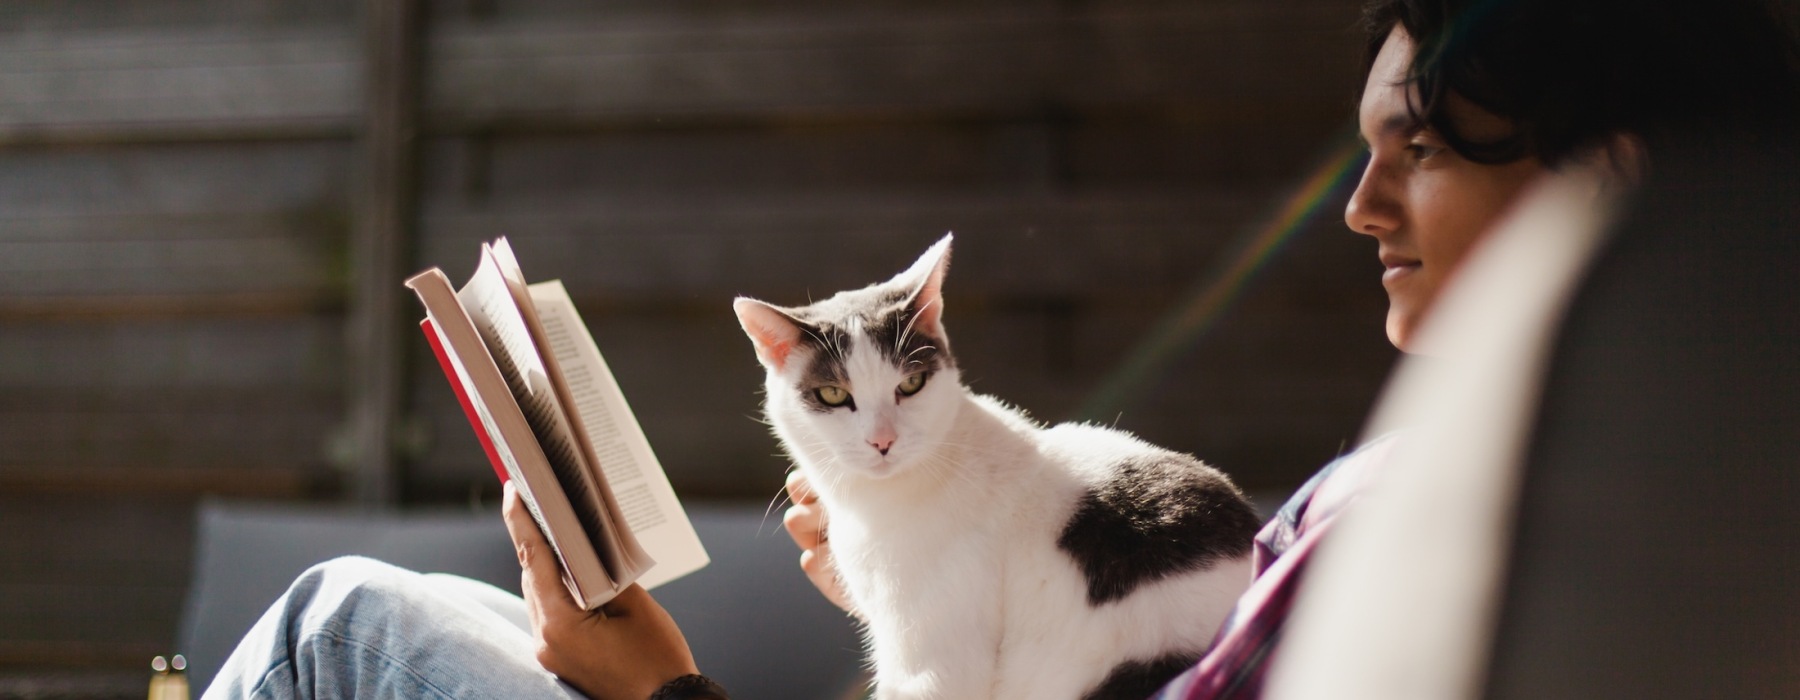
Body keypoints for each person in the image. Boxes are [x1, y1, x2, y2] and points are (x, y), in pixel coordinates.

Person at [202, 1, 1800, 698]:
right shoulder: (1644, 520)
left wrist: (665, 693)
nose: (1359, 205)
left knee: (350, 622)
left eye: (1422, 149)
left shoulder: (1436, 516)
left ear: (1611, 178)